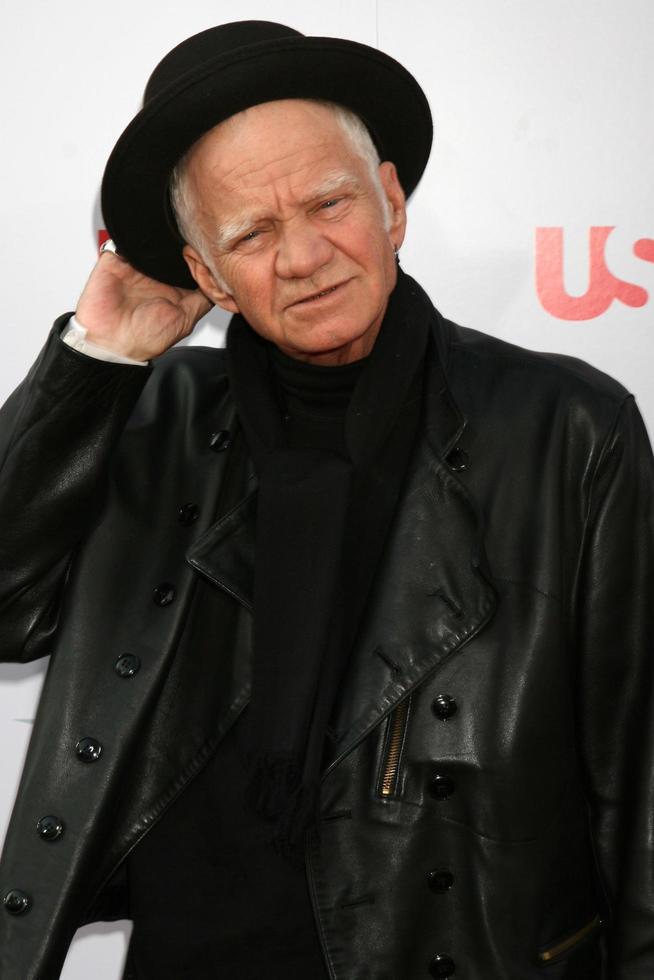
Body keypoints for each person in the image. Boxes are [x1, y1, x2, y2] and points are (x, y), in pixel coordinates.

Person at [0, 19, 653, 980]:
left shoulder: (565, 427)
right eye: (252, 234)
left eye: (329, 202)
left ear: (390, 200)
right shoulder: (158, 415)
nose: (303, 257)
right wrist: (92, 362)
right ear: (206, 274)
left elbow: (640, 781)